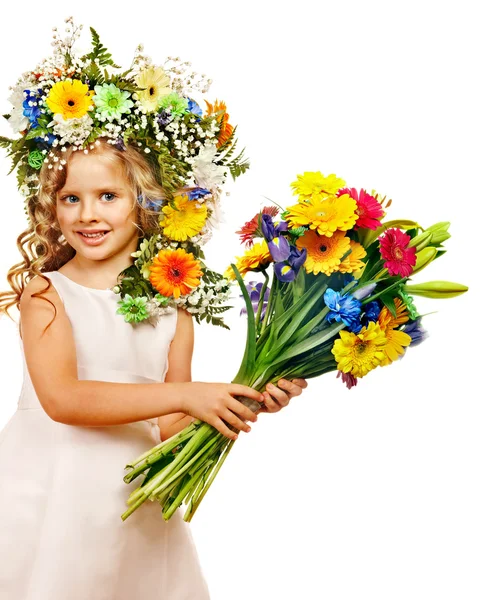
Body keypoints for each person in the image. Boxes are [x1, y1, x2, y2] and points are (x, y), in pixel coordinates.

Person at [0, 135, 307, 599]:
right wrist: (187, 394)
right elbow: (62, 399)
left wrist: (244, 400)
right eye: (70, 198)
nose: (87, 214)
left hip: (130, 505)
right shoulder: (47, 293)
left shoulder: (172, 310)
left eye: (108, 196)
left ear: (143, 202)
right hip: (48, 494)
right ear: (52, 207)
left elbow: (169, 426)